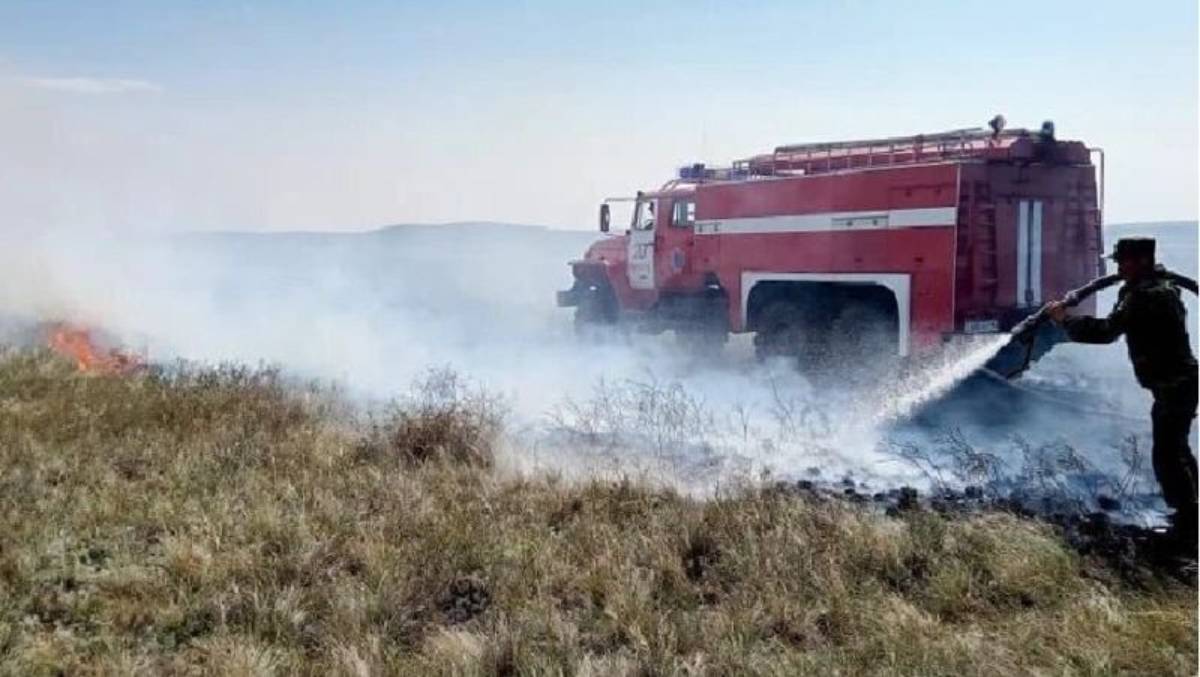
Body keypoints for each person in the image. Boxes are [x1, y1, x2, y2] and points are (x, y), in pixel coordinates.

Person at [1046, 237, 1198, 547]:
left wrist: (1065, 321)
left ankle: (1188, 525)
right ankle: (1190, 516)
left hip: (1175, 384)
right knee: (1177, 449)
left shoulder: (1146, 296)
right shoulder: (1157, 287)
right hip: (1176, 383)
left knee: (1167, 455)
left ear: (1141, 262)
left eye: (1123, 262)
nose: (1119, 268)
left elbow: (1106, 332)